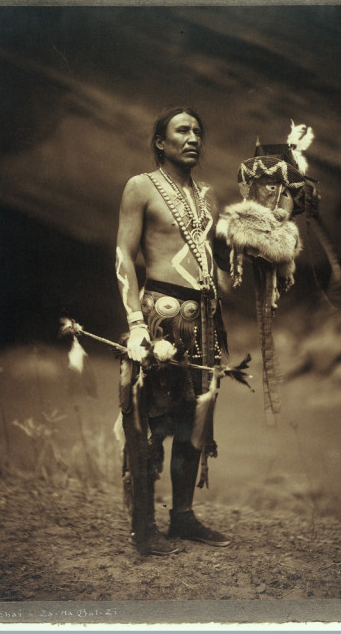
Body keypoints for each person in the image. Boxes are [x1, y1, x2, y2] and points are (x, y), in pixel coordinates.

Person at [115, 106, 231, 555]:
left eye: (198, 131)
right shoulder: (140, 187)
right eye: (182, 130)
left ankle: (182, 518)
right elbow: (124, 254)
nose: (193, 137)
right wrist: (135, 323)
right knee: (150, 423)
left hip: (205, 318)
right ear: (161, 142)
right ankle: (142, 527)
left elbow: (216, 269)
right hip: (159, 315)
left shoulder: (208, 196)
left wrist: (256, 260)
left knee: (195, 422)